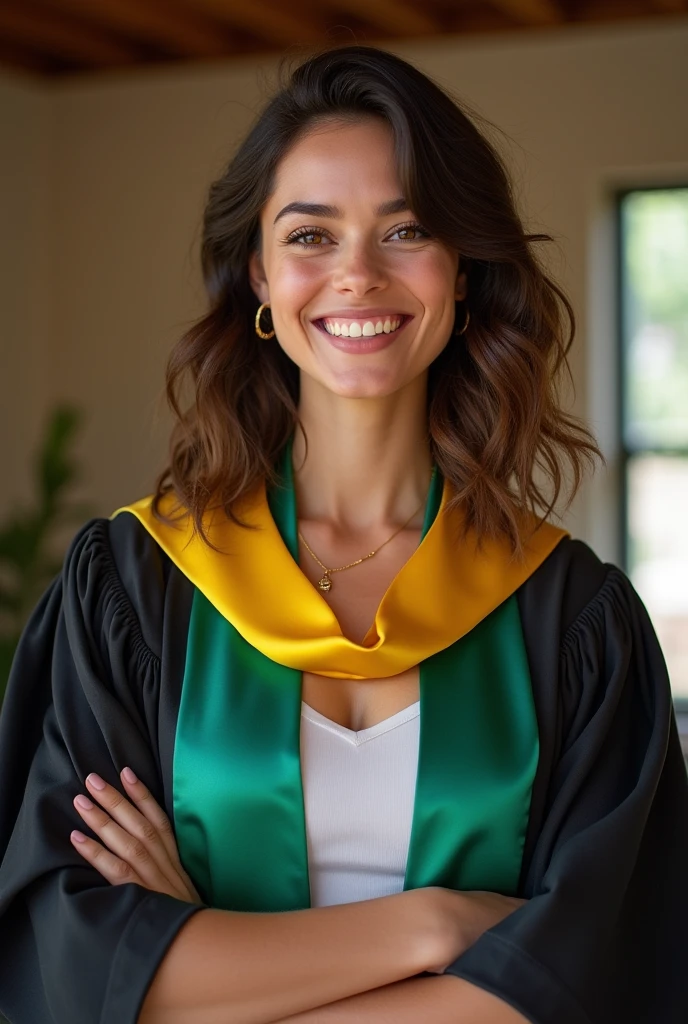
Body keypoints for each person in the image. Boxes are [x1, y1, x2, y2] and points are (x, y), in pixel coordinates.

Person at [0, 44, 686, 1024]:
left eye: (405, 229)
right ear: (260, 279)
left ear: (461, 272)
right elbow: (75, 964)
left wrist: (208, 970)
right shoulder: (137, 592)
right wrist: (436, 924)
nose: (357, 275)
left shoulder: (572, 618)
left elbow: (587, 977)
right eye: (311, 236)